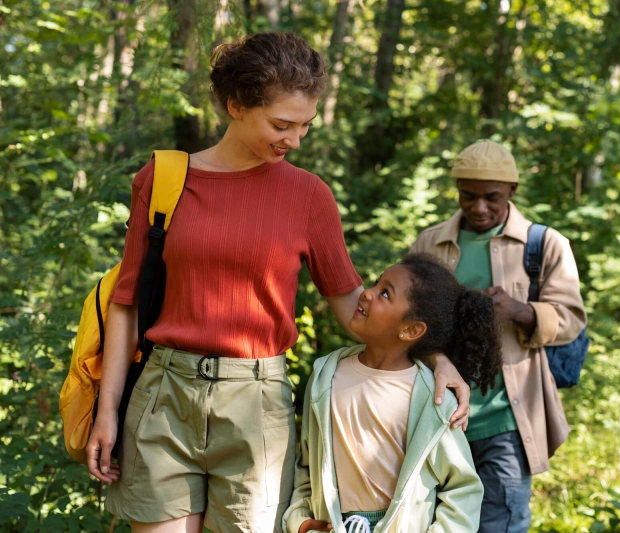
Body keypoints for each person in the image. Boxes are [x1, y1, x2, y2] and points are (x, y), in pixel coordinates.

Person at [84, 32, 470, 533]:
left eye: (305, 126)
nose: (295, 140)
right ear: (236, 105)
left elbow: (355, 304)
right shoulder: (162, 178)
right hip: (162, 396)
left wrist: (436, 358)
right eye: (282, 124)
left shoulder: (309, 195)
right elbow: (126, 303)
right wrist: (107, 412)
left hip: (256, 405)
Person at [410, 140, 587, 533]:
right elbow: (408, 319)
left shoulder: (545, 245)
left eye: (491, 197)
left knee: (500, 523)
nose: (479, 208)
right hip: (440, 416)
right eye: (467, 196)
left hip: (505, 419)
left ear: (512, 191)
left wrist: (519, 310)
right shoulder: (431, 243)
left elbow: (571, 318)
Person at [283, 253, 501, 533]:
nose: (367, 294)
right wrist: (299, 521)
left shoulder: (433, 398)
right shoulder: (326, 376)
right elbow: (307, 463)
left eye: (385, 293)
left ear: (411, 330)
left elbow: (462, 488)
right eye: (375, 284)